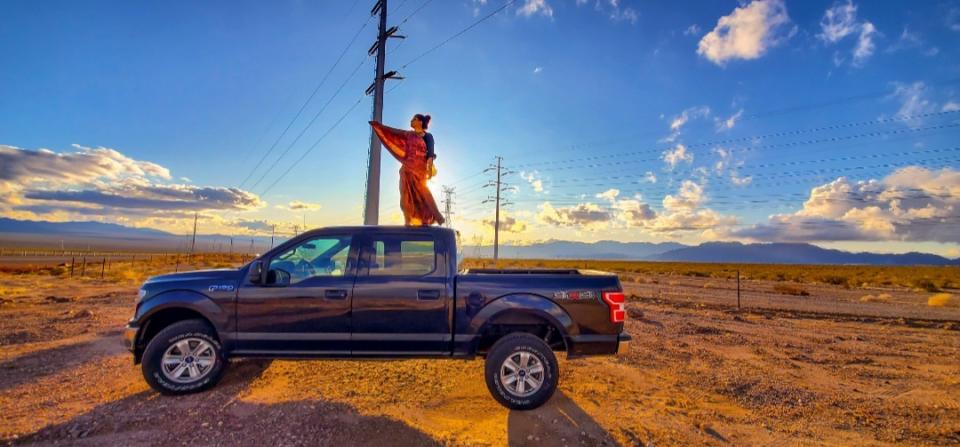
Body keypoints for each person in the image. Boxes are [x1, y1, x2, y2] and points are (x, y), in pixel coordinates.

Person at [369, 114, 445, 226]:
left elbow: (430, 154)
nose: (411, 121)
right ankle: (408, 220)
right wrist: (380, 127)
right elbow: (394, 132)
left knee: (422, 194)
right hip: (406, 169)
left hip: (420, 170)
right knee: (405, 194)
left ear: (420, 122)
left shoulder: (428, 136)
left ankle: (434, 217)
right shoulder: (408, 134)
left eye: (413, 119)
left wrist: (429, 168)